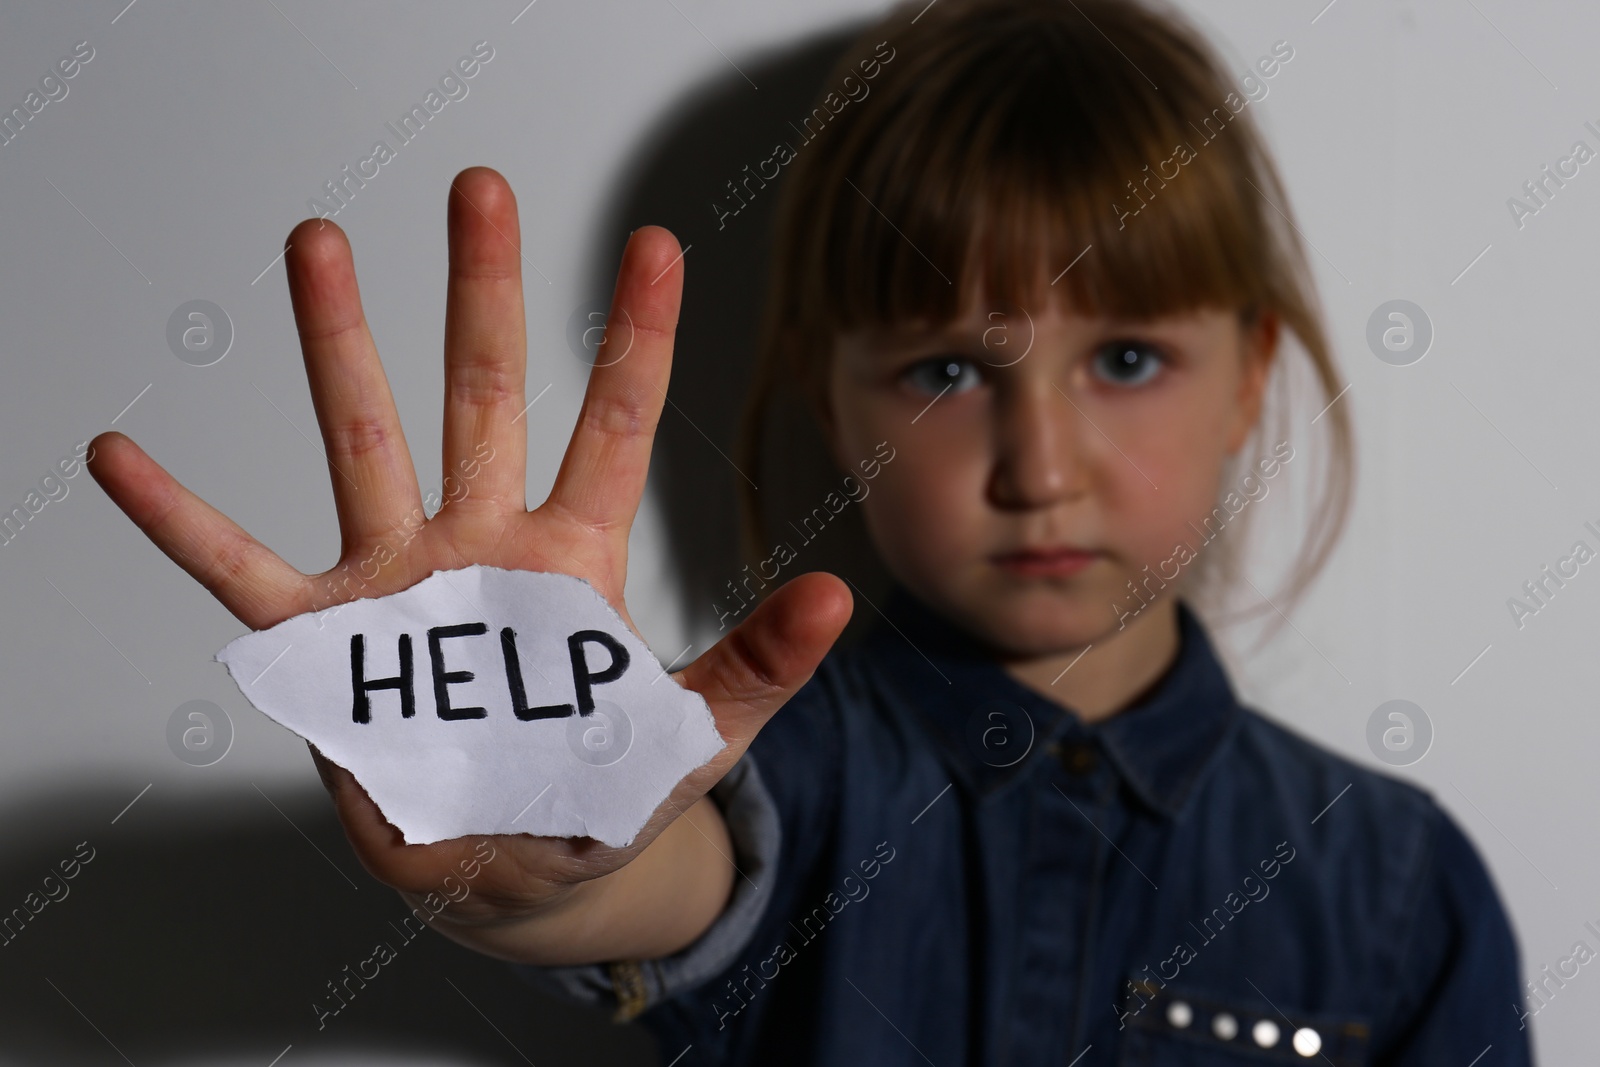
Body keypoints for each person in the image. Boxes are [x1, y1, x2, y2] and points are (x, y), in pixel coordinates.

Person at [88, 0, 1533, 1062]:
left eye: (1130, 359)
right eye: (949, 370)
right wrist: (528, 849)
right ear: (830, 407)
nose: (1042, 467)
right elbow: (673, 872)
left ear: (1251, 380)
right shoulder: (779, 777)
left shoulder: (1399, 887)